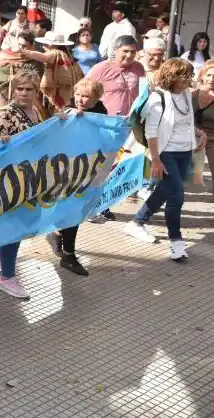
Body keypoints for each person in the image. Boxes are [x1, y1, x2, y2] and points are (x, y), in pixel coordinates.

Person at [124, 59, 206, 259]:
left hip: (185, 151)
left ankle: (137, 221)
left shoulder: (186, 94)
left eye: (189, 75)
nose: (188, 79)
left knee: (164, 190)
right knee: (176, 196)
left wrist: (198, 132)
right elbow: (152, 132)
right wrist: (156, 159)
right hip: (165, 153)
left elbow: (185, 121)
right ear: (171, 76)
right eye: (183, 75)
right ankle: (176, 242)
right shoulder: (158, 98)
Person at [0, 70, 46, 299]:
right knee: (16, 227)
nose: (23, 93)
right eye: (19, 88)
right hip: (10, 180)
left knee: (27, 222)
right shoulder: (6, 114)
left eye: (28, 89)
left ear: (36, 91)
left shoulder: (35, 111)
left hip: (29, 177)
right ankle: (7, 277)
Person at [44, 78, 107, 275]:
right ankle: (68, 254)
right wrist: (67, 119)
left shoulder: (101, 112)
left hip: (87, 170)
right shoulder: (68, 111)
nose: (80, 99)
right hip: (67, 170)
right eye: (78, 94)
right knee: (71, 210)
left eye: (86, 96)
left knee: (75, 211)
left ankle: (58, 236)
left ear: (96, 99)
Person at [25, 31, 84, 111]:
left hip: (58, 94)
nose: (43, 46)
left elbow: (41, 56)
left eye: (45, 44)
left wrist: (23, 51)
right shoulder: (68, 56)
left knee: (56, 113)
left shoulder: (55, 54)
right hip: (68, 94)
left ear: (51, 44)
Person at [86, 36, 144, 117]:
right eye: (125, 51)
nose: (129, 55)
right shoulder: (101, 68)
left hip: (132, 120)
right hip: (107, 120)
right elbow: (83, 90)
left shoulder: (139, 67)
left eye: (133, 52)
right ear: (115, 50)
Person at [193, 59, 214, 198]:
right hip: (193, 139)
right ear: (201, 76)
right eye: (208, 75)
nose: (212, 79)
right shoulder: (191, 95)